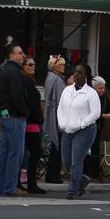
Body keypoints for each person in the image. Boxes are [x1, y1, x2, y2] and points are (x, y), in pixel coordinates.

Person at [57, 64, 102, 199]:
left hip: (84, 131)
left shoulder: (91, 93)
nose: (76, 75)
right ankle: (81, 179)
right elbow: (60, 107)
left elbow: (96, 113)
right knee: (66, 161)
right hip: (67, 129)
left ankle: (72, 190)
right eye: (75, 72)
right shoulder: (67, 90)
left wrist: (83, 124)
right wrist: (62, 123)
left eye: (80, 73)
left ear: (86, 76)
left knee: (76, 160)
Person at [0, 42, 29, 195]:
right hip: (15, 117)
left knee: (4, 153)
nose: (23, 55)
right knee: (15, 154)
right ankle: (9, 188)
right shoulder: (15, 72)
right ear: (12, 55)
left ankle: (0, 186)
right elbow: (17, 95)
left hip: (3, 115)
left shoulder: (1, 71)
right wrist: (25, 111)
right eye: (20, 53)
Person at [20, 56, 46, 194]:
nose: (32, 66)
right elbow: (31, 103)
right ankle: (31, 183)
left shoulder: (29, 82)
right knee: (35, 152)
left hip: (32, 121)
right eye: (29, 64)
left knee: (31, 152)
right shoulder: (26, 82)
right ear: (23, 66)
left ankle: (31, 182)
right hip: (31, 122)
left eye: (34, 64)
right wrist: (38, 116)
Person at [43, 54, 67, 183]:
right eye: (61, 64)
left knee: (54, 146)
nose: (63, 66)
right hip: (58, 115)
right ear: (55, 66)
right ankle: (53, 175)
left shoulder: (49, 78)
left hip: (52, 113)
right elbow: (61, 99)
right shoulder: (57, 80)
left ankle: (51, 174)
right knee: (57, 147)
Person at [88, 76, 110, 180]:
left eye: (103, 88)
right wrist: (103, 115)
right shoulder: (90, 96)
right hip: (89, 126)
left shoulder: (104, 96)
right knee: (89, 149)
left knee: (96, 150)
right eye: (100, 88)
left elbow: (109, 108)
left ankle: (96, 172)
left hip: (99, 126)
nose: (102, 90)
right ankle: (88, 171)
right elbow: (89, 112)